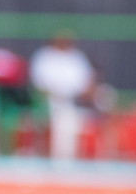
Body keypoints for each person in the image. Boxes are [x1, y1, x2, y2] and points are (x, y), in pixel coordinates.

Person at [30, 31, 95, 162]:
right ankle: (55, 158)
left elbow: (87, 85)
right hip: (48, 101)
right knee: (61, 116)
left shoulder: (77, 57)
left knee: (69, 118)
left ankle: (66, 159)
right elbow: (38, 86)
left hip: (73, 102)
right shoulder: (44, 56)